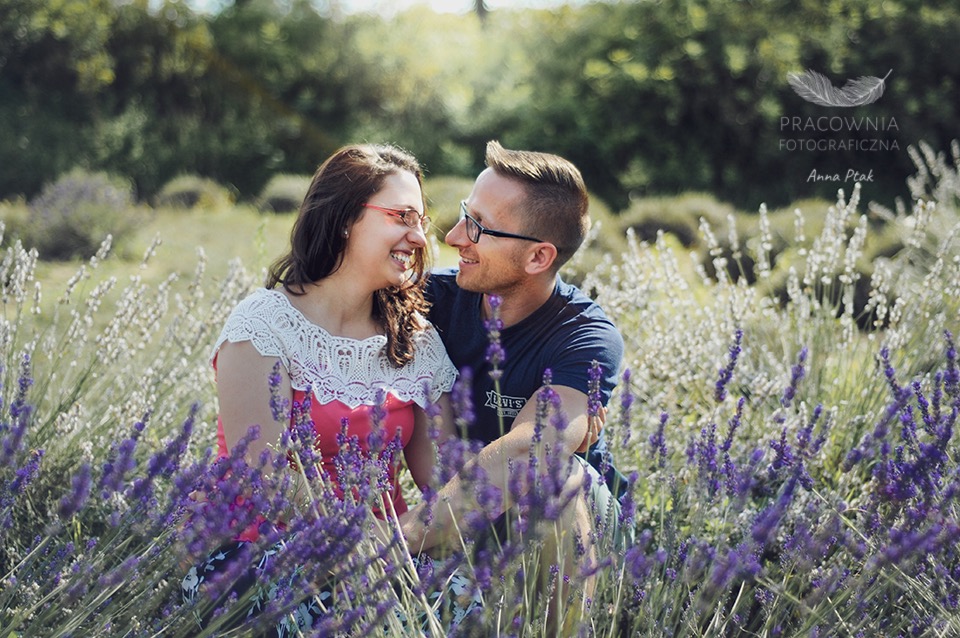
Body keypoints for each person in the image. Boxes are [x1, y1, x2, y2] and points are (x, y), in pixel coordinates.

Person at [181, 143, 476, 634]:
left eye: (421, 220)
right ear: (343, 218)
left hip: (387, 557)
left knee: (471, 600)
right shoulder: (265, 324)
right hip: (261, 556)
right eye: (402, 216)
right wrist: (358, 545)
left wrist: (534, 439)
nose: (419, 236)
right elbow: (264, 475)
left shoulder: (416, 340)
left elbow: (443, 478)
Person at [400, 141, 626, 625]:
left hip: (566, 536)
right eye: (465, 213)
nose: (456, 235)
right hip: (459, 513)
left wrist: (399, 538)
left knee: (554, 477)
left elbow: (532, 451)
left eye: (479, 226)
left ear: (539, 257)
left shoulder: (585, 336)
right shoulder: (431, 299)